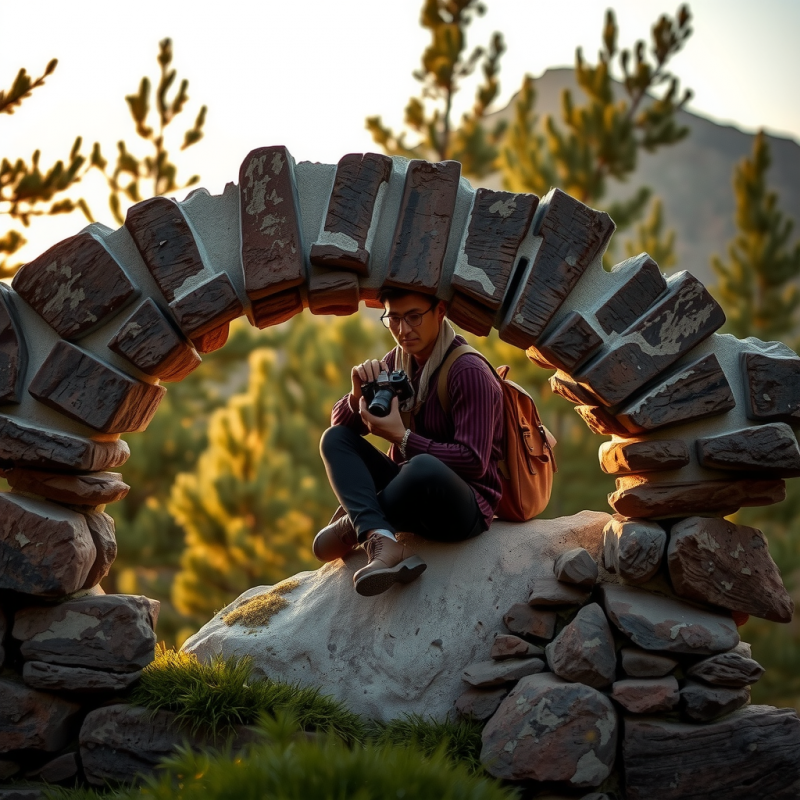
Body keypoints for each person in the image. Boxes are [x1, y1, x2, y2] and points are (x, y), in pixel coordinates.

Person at [316, 287, 504, 597]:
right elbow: (343, 427)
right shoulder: (398, 362)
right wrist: (355, 395)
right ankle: (381, 538)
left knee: (422, 467)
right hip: (410, 491)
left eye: (414, 316)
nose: (404, 330)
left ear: (440, 312)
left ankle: (358, 521)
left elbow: (474, 461)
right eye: (394, 318)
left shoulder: (468, 371)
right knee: (335, 439)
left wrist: (401, 437)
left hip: (463, 509)